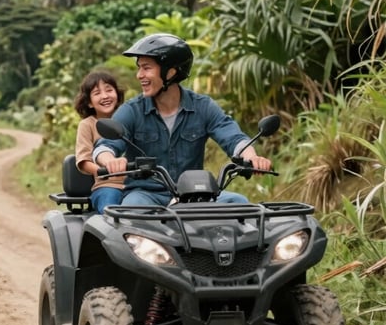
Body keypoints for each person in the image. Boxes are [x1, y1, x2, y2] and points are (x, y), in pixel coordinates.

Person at [93, 33, 272, 207]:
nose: (139, 75)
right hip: (147, 195)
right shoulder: (132, 110)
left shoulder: (203, 107)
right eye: (139, 68)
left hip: (194, 194)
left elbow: (234, 138)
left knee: (239, 203)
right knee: (132, 211)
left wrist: (252, 157)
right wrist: (110, 161)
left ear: (170, 72)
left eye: (146, 68)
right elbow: (105, 146)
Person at [74, 70, 126, 213]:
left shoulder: (130, 119)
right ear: (89, 102)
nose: (105, 96)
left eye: (109, 90)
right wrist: (104, 170)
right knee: (110, 213)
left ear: (117, 93)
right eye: (97, 93)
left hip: (139, 185)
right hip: (108, 185)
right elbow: (83, 161)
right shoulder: (87, 125)